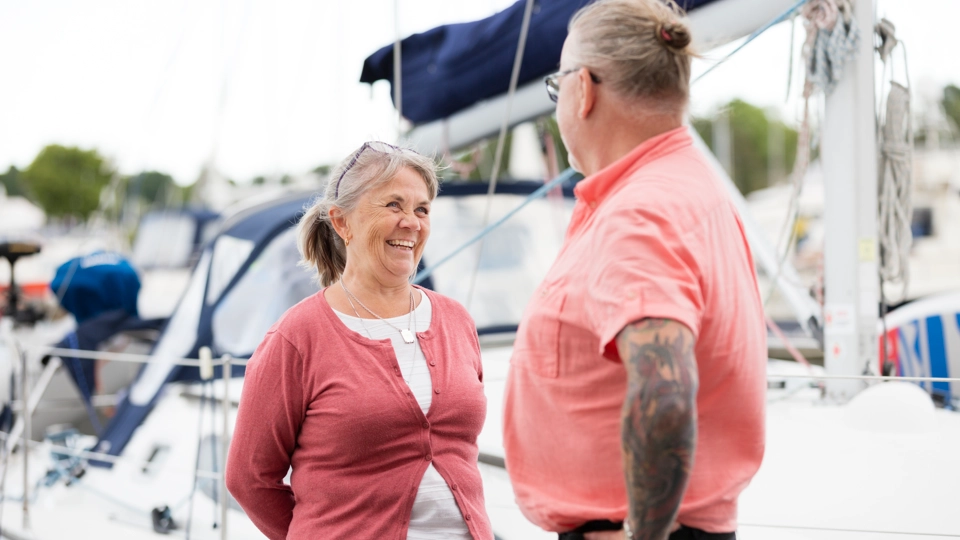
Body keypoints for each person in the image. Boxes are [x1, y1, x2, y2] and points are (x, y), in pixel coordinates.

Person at [502, 2, 767, 540]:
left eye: (556, 87)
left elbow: (664, 394)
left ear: (583, 89)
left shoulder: (639, 212)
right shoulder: (683, 185)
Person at [226, 141, 492, 540]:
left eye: (422, 209)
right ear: (341, 222)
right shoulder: (296, 337)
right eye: (393, 205)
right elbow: (248, 479)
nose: (412, 222)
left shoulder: (456, 320)